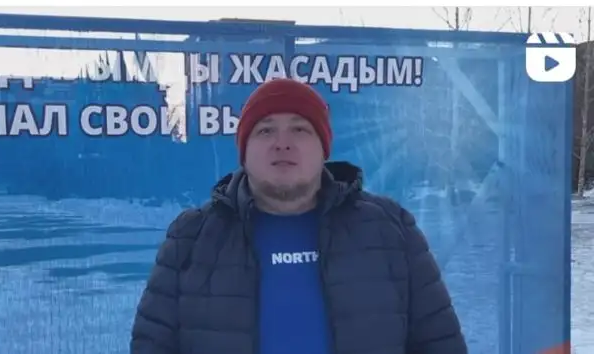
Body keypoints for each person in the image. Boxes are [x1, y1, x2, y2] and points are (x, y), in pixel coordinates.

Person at [130, 78, 467, 354]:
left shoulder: (391, 230)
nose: (282, 143)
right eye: (265, 130)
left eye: (300, 129)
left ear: (324, 149)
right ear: (244, 152)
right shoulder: (191, 239)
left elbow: (440, 343)